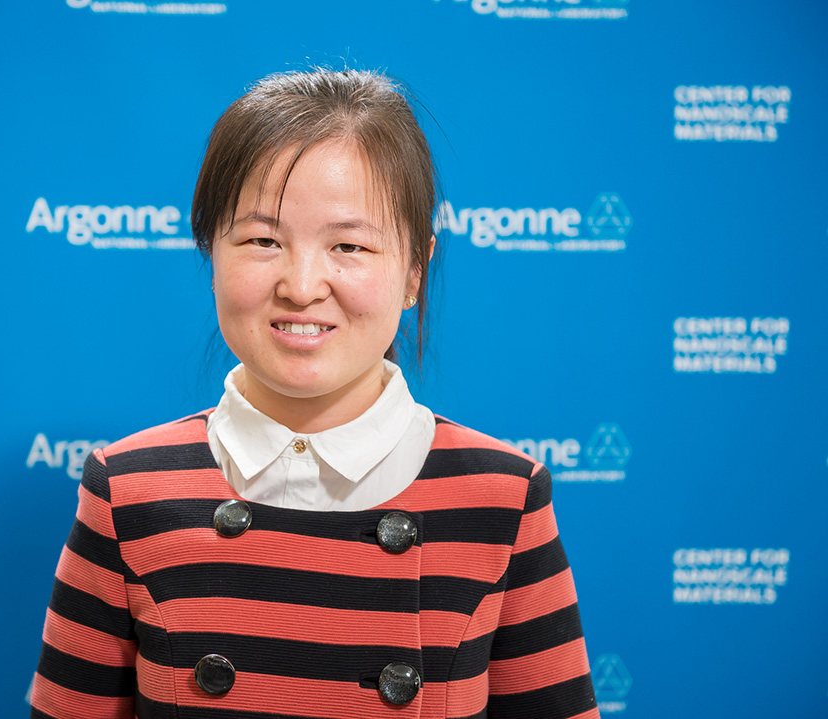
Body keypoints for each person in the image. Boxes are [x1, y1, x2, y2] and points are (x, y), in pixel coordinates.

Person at [30, 68, 599, 719]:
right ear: (209, 250)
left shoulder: (503, 497)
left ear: (415, 270)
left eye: (349, 245)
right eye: (262, 241)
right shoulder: (126, 491)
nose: (302, 285)